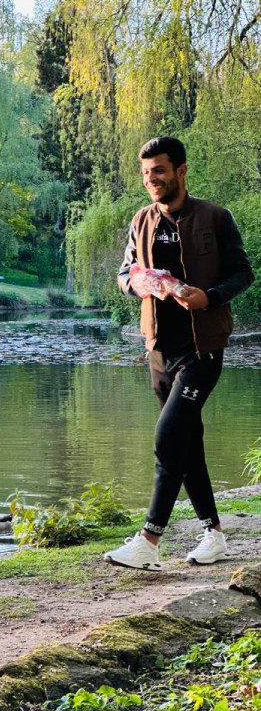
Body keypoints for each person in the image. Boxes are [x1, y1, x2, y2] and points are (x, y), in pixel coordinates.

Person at [105, 136, 254, 570]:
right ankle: (214, 534)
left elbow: (243, 272)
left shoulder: (215, 217)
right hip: (158, 349)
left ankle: (148, 540)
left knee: (168, 436)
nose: (151, 179)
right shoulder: (141, 220)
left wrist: (210, 297)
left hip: (201, 349)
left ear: (181, 171)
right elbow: (124, 273)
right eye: (146, 172)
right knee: (187, 442)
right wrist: (135, 283)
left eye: (159, 170)